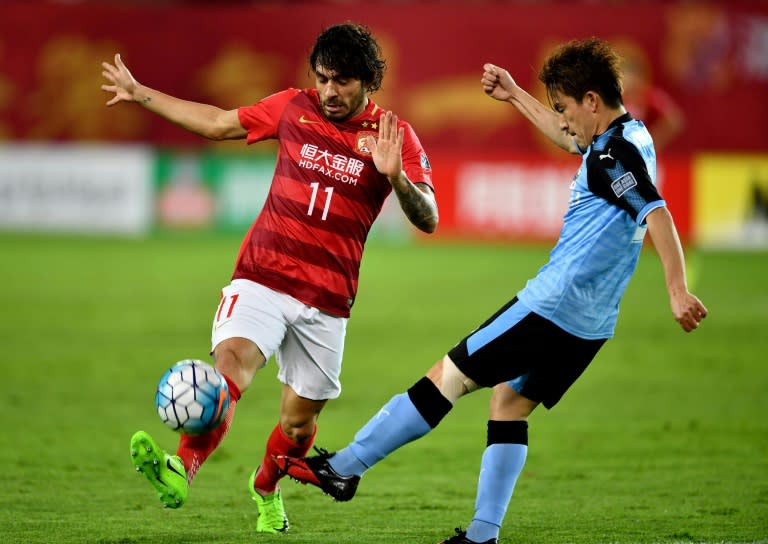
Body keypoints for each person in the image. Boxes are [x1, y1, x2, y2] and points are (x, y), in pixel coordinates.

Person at [275, 37, 708, 544]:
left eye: (566, 108)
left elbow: (655, 210)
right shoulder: (629, 136)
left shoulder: (612, 154)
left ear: (592, 100)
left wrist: (676, 289)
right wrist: (516, 95)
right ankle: (482, 536)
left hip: (551, 305)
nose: (564, 121)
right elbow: (572, 141)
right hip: (592, 323)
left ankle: (346, 466)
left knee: (449, 377)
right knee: (509, 404)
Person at [100, 21, 438, 534]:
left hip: (327, 300)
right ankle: (180, 469)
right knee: (230, 366)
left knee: (297, 427)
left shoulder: (394, 136)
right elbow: (217, 122)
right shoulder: (292, 106)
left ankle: (265, 485)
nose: (329, 91)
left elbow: (429, 217)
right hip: (263, 274)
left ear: (369, 79)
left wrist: (396, 176)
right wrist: (140, 93)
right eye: (322, 78)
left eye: (342, 81)